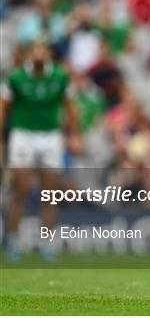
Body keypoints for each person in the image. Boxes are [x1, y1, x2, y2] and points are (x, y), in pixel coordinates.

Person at [0, 42, 81, 262]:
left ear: (48, 54)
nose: (38, 53)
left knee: (50, 194)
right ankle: (13, 240)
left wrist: (74, 135)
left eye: (42, 49)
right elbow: (3, 108)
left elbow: (70, 106)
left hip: (50, 136)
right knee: (20, 189)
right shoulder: (16, 77)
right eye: (34, 49)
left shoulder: (60, 77)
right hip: (22, 135)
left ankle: (46, 242)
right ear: (28, 53)